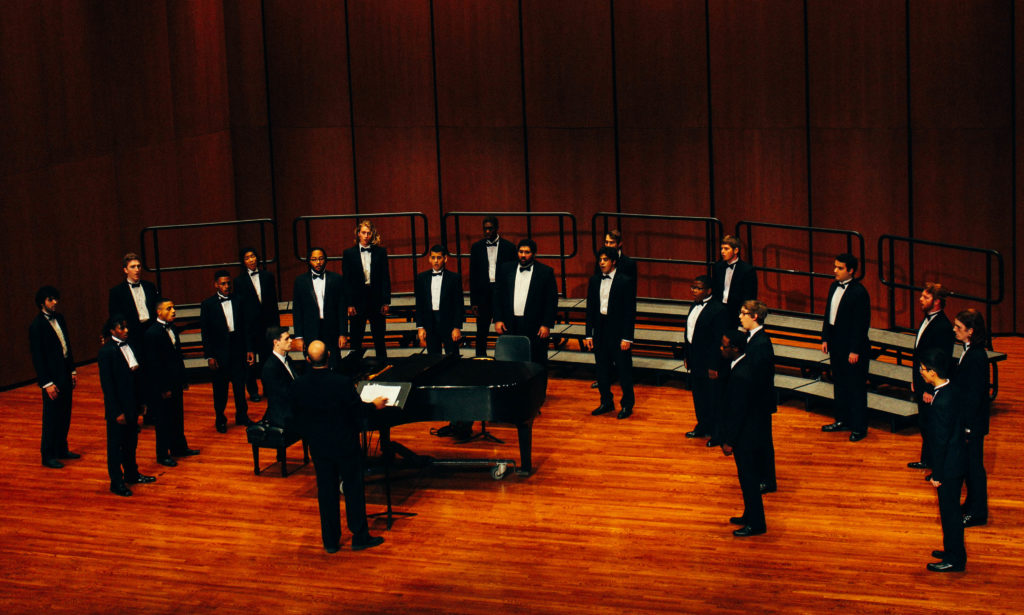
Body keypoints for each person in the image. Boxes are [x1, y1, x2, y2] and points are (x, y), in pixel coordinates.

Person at [290, 341, 387, 553]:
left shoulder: (299, 384)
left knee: (326, 492)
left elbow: (297, 416)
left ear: (307, 359)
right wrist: (375, 405)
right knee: (353, 489)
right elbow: (357, 411)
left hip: (319, 446)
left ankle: (331, 541)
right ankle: (360, 536)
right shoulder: (341, 383)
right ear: (330, 356)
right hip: (345, 444)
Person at [918, 347, 967, 572]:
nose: (921, 372)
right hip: (956, 460)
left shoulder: (941, 402)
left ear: (933, 373)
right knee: (950, 513)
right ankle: (951, 550)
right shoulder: (951, 390)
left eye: (923, 369)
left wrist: (936, 474)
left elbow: (940, 442)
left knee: (949, 514)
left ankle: (954, 559)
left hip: (948, 466)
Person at [98, 316, 155, 497]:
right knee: (115, 446)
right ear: (112, 331)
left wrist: (142, 403)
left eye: (126, 327)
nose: (126, 330)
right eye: (121, 328)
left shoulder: (131, 345)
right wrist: (116, 411)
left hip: (132, 404)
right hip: (119, 408)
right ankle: (116, 482)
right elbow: (107, 385)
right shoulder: (106, 352)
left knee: (131, 443)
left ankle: (132, 474)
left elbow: (137, 377)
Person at [719, 329, 767, 537]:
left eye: (724, 346)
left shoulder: (740, 375)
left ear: (735, 349)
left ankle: (756, 524)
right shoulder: (742, 366)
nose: (721, 349)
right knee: (747, 478)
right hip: (749, 433)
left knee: (748, 479)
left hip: (745, 437)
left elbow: (738, 411)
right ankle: (750, 515)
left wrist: (729, 441)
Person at [820, 253, 871, 442]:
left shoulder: (859, 292)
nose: (835, 271)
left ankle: (859, 427)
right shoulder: (834, 286)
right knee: (840, 384)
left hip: (852, 348)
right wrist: (825, 337)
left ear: (851, 270)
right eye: (835, 267)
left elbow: (861, 323)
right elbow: (828, 314)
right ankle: (842, 420)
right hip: (836, 344)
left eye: (839, 268)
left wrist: (855, 349)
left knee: (855, 387)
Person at [144, 298, 199, 466]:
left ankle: (179, 448)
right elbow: (153, 364)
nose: (173, 311)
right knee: (163, 420)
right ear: (159, 312)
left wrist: (183, 379)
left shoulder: (172, 328)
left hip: (175, 381)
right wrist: (163, 388)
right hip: (163, 385)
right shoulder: (152, 333)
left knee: (177, 416)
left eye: (174, 308)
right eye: (169, 308)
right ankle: (162, 454)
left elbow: (177, 357)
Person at [29, 286, 78, 468]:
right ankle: (48, 455)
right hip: (51, 377)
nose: (55, 302)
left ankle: (61, 448)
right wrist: (46, 383)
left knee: (65, 413)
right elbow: (38, 357)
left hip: (64, 372)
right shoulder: (36, 326)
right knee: (51, 417)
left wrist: (72, 370)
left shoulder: (60, 318)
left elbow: (67, 346)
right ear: (43, 302)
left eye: (56, 299)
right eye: (51, 299)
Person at [584, 247, 636, 420]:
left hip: (619, 331)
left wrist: (627, 337)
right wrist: (588, 335)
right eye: (600, 260)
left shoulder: (625, 281)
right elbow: (590, 309)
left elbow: (630, 311)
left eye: (605, 259)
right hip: (600, 331)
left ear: (614, 262)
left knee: (623, 370)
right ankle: (606, 402)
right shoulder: (594, 280)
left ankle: (627, 405)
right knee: (601, 370)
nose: (601, 263)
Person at [200, 270, 255, 433]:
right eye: (222, 283)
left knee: (239, 385)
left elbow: (247, 327)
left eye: (228, 283)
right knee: (220, 389)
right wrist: (210, 355)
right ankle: (220, 418)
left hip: (238, 349)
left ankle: (242, 415)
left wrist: (249, 349)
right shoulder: (208, 304)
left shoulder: (239, 300)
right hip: (219, 352)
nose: (226, 286)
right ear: (216, 284)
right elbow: (206, 332)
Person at [108, 252, 159, 423]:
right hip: (132, 335)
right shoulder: (117, 292)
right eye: (132, 267)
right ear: (125, 270)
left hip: (150, 332)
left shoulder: (150, 286)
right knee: (134, 375)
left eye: (138, 266)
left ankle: (151, 412)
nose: (137, 270)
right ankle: (134, 413)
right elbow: (115, 317)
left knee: (151, 372)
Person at [908, 283, 954, 472]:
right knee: (925, 423)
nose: (920, 299)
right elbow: (920, 354)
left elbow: (939, 361)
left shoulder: (942, 326)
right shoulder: (927, 319)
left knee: (932, 425)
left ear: (936, 302)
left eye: (925, 297)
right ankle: (927, 460)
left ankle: (936, 465)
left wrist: (928, 388)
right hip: (922, 380)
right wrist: (915, 379)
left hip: (930, 384)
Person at [951, 309, 990, 529]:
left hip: (972, 425)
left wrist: (967, 427)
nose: (954, 330)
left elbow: (974, 396)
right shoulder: (970, 351)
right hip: (969, 422)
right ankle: (972, 504)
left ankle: (978, 512)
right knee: (969, 467)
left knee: (974, 468)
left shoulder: (976, 356)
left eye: (958, 327)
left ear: (970, 332)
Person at [494, 238, 558, 365]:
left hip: (535, 325)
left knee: (537, 360)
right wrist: (498, 319)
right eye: (521, 251)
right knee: (510, 359)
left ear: (534, 254)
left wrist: (546, 324)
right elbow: (498, 296)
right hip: (510, 323)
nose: (523, 255)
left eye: (527, 252)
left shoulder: (545, 272)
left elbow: (551, 300)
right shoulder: (505, 269)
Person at [682, 275, 728, 442]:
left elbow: (718, 341)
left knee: (713, 399)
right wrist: (687, 356)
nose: (694, 290)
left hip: (710, 363)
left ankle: (717, 434)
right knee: (699, 397)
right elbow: (688, 333)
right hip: (695, 360)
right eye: (693, 287)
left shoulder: (718, 310)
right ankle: (702, 427)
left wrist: (714, 366)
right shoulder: (693, 305)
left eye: (698, 288)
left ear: (708, 290)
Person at [738, 300, 777, 494]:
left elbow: (760, 376)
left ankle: (767, 480)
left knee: (762, 442)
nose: (740, 316)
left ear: (755, 317)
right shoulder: (751, 338)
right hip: (755, 401)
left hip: (758, 403)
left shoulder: (761, 342)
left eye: (744, 313)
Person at [235, 247, 280, 402]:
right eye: (247, 257)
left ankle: (269, 388)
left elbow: (273, 302)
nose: (251, 260)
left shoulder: (268, 276)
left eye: (253, 256)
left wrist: (276, 327)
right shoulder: (239, 281)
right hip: (250, 326)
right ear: (243, 261)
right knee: (251, 361)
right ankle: (253, 391)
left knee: (268, 359)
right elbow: (240, 307)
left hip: (268, 324)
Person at [469, 216, 517, 357]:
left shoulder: (509, 247)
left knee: (505, 327)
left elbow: (513, 274)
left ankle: (506, 357)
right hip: (483, 294)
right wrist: (474, 301)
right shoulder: (477, 247)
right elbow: (473, 276)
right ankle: (480, 358)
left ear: (497, 228)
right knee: (481, 330)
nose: (487, 231)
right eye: (485, 229)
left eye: (490, 228)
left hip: (502, 293)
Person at [343, 219, 391, 360]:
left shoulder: (380, 252)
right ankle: (354, 370)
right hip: (358, 299)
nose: (366, 236)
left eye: (368, 233)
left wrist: (386, 301)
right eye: (363, 232)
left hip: (376, 298)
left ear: (372, 234)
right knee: (356, 338)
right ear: (358, 234)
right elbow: (347, 280)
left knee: (379, 338)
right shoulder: (348, 253)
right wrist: (349, 303)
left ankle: (383, 367)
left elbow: (385, 277)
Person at [292, 246, 348, 367]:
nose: (318, 262)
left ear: (326, 260)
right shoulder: (300, 281)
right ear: (309, 261)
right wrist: (299, 336)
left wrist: (343, 333)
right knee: (311, 364)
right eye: (314, 259)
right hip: (310, 330)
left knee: (334, 362)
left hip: (331, 329)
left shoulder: (336, 279)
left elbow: (342, 308)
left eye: (321, 259)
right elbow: (297, 310)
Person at [414, 245, 464, 355]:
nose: (436, 261)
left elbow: (458, 305)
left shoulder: (454, 278)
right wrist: (420, 327)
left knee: (452, 357)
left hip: (449, 324)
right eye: (433, 257)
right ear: (429, 259)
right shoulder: (421, 278)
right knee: (433, 358)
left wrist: (457, 327)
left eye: (439, 257)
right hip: (430, 323)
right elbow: (419, 304)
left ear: (445, 258)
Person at [711, 235, 757, 324]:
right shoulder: (718, 267)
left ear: (736, 250)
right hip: (719, 309)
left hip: (736, 311)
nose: (722, 252)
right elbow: (715, 290)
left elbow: (749, 295)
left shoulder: (747, 270)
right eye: (721, 249)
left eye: (726, 249)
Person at [261, 326, 297, 429]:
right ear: (276, 342)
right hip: (282, 415)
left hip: (290, 407)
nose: (291, 341)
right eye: (287, 339)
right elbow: (282, 396)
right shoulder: (270, 368)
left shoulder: (288, 359)